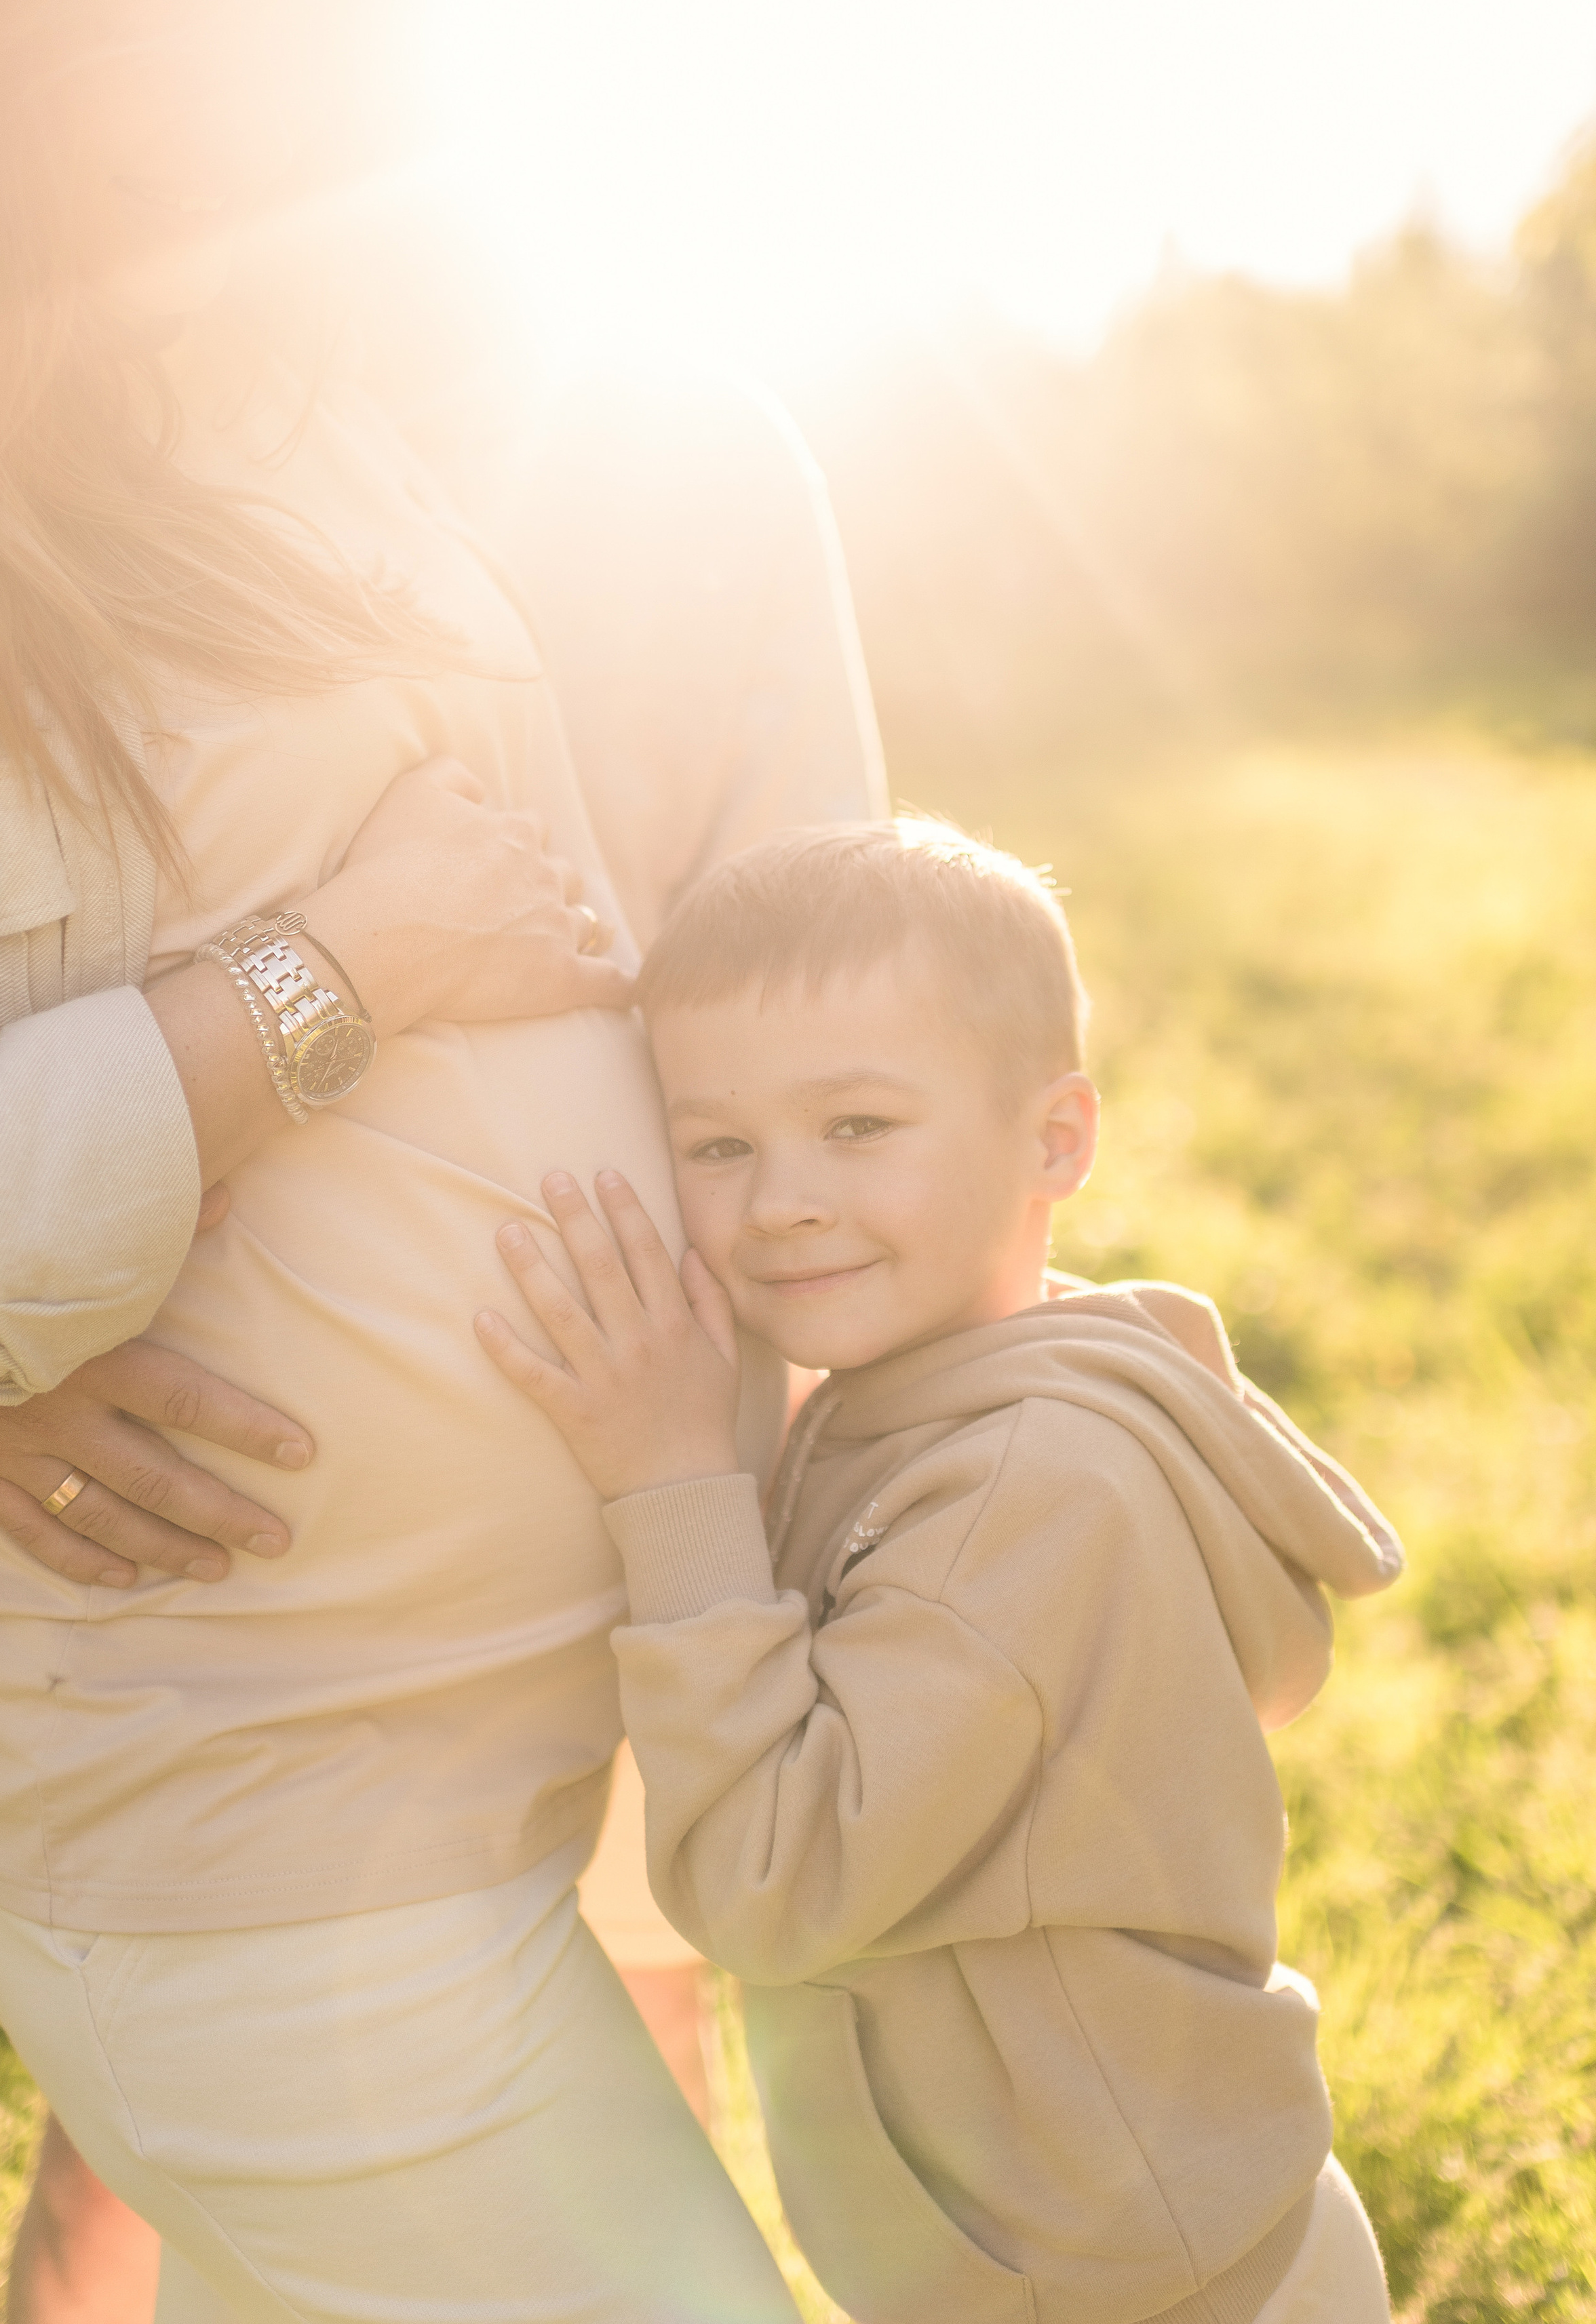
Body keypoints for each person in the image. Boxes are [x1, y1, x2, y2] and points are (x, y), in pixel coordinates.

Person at [0, 0, 879, 2317]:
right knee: (260, 2149)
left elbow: (838, 1027)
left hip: (550, 1644)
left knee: (549, 2046)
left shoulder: (666, 451)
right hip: (210, 1743)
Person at [479, 818, 1403, 2324]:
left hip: (1121, 2281)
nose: (777, 1199)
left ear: (1054, 1140)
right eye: (718, 1146)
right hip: (1155, 2217)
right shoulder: (986, 1395)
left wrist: (668, 1480)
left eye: (855, 1128)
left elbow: (774, 1885)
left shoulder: (1019, 1496)